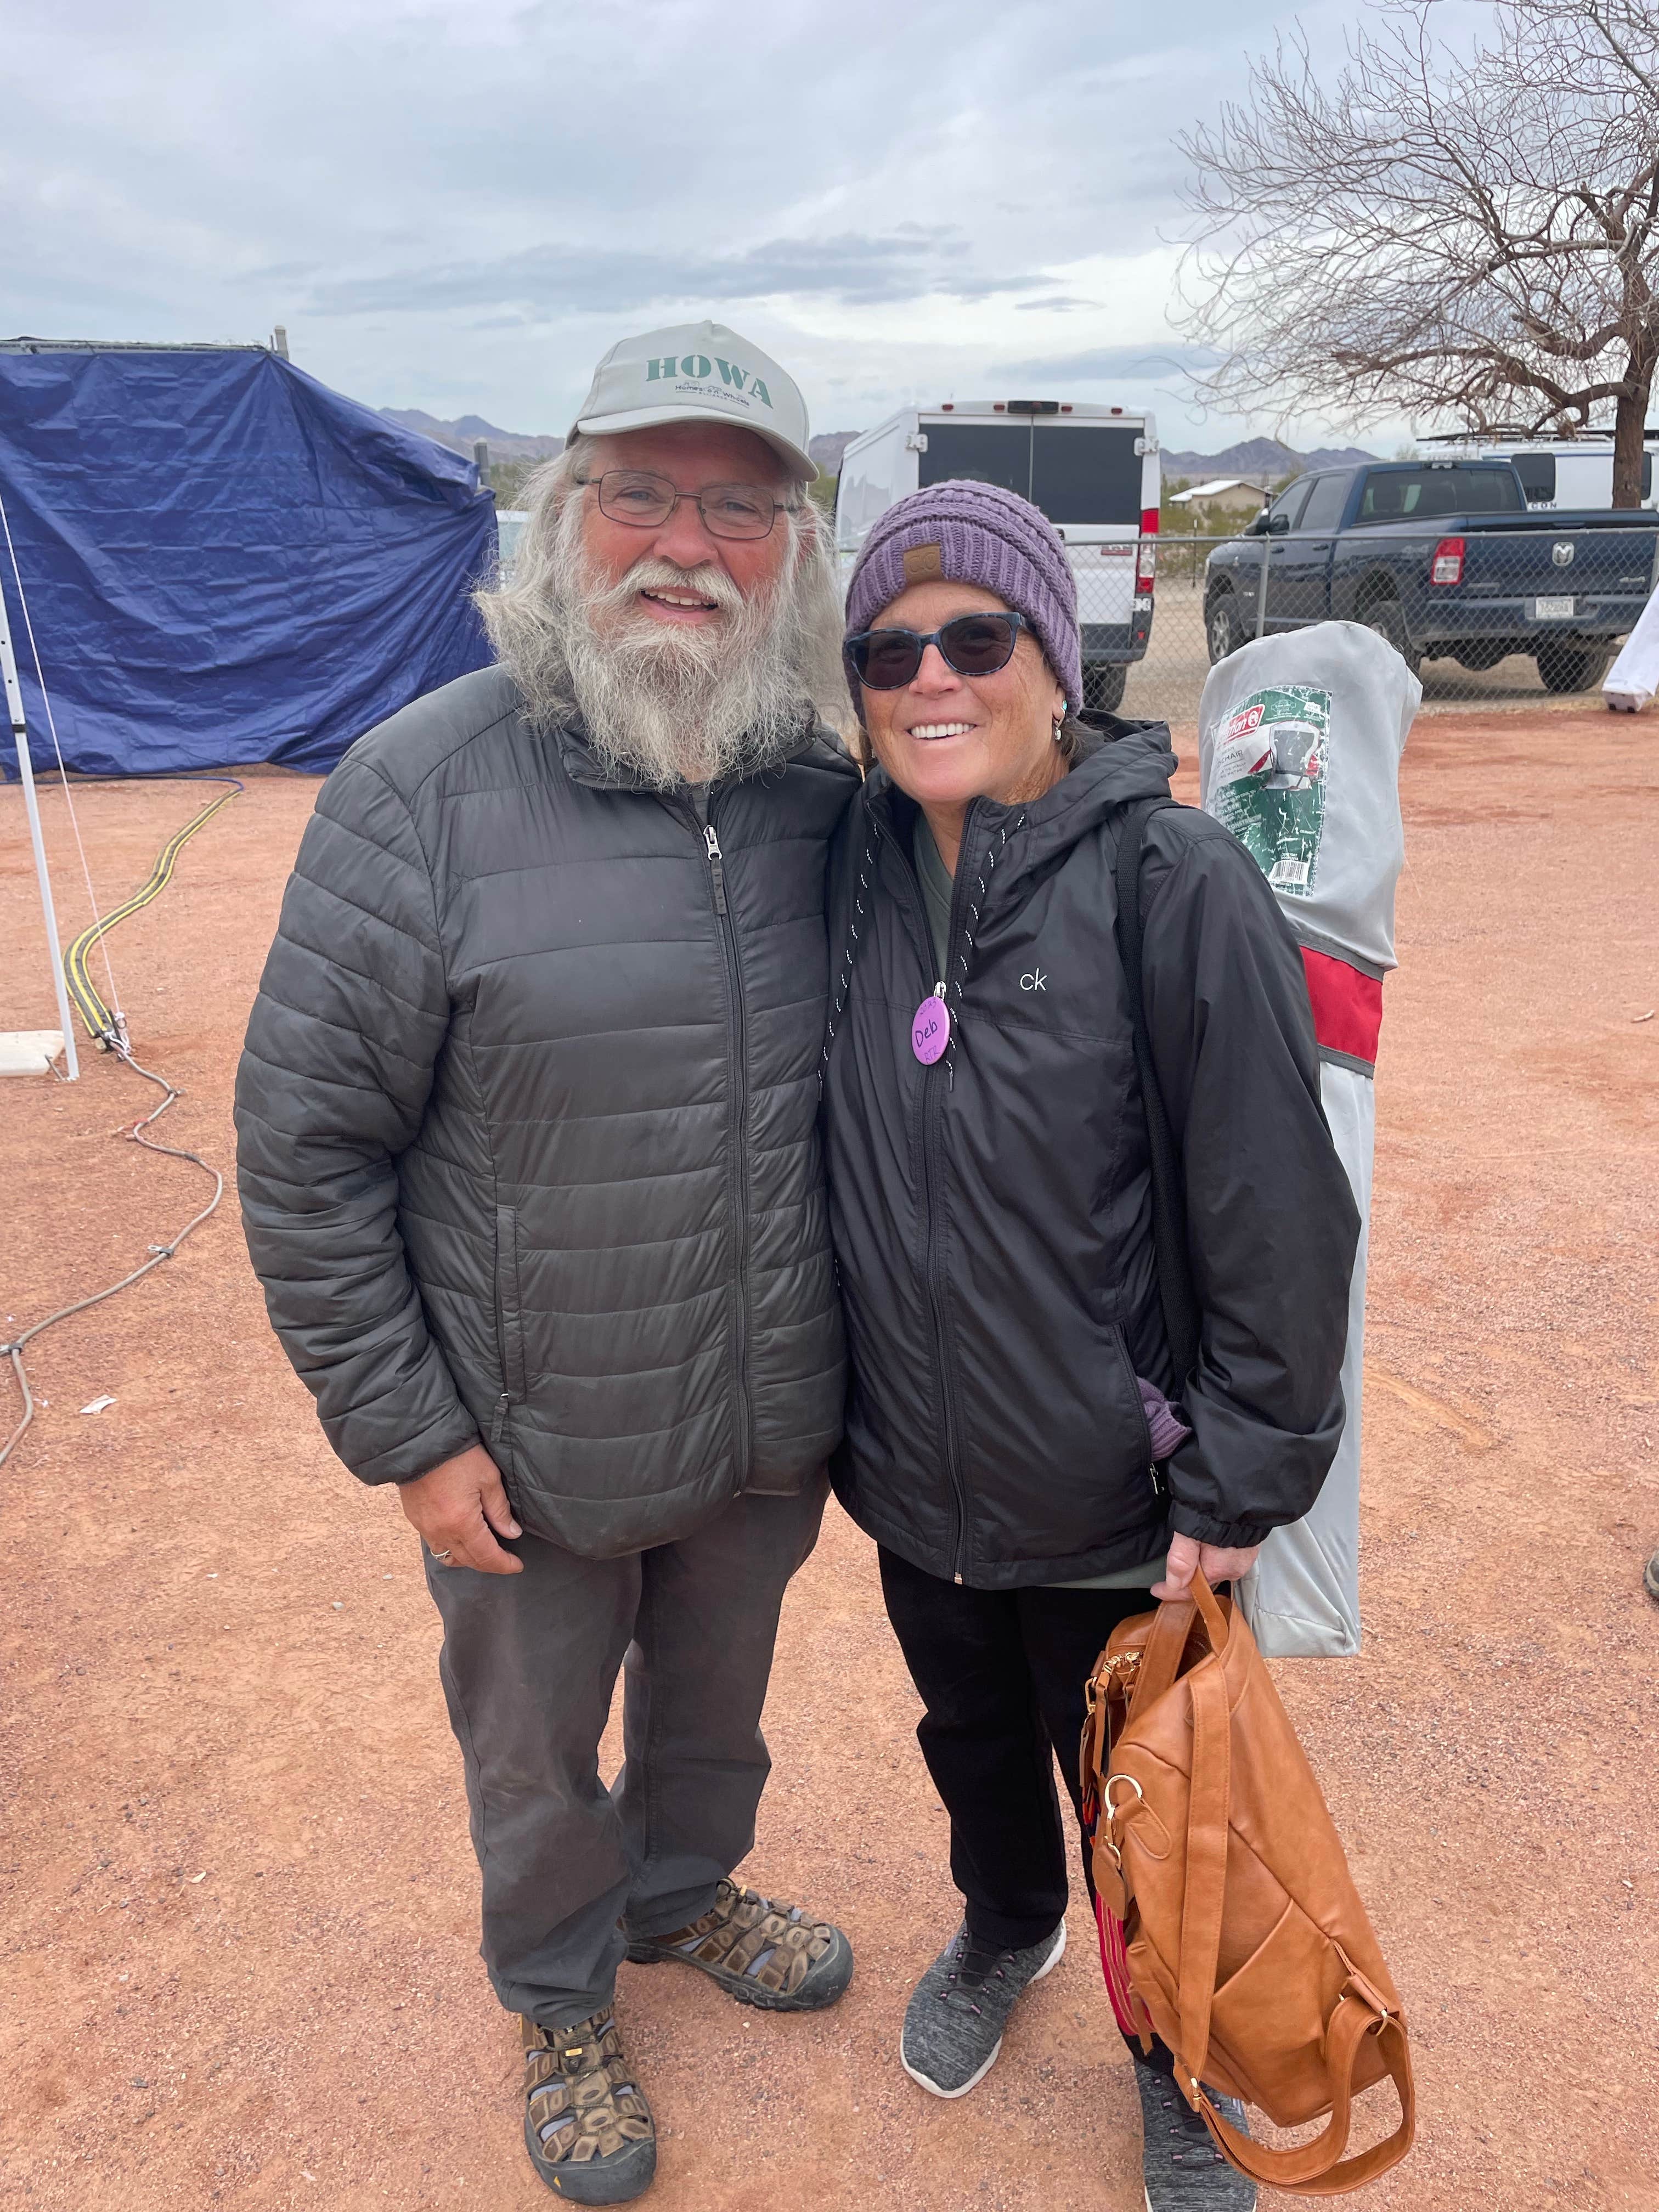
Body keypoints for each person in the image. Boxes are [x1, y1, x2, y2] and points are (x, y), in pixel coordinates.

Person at [236, 320, 859, 2205]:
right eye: (643, 494)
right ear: (561, 517)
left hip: (767, 1403)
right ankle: (560, 1986)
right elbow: (308, 1148)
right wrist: (410, 1435)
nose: (688, 544)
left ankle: (681, 1900)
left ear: (798, 553)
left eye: (741, 509)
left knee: (717, 1704)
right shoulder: (420, 791)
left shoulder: (815, 795)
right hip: (527, 1428)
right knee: (533, 1743)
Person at [819, 482, 1360, 2210]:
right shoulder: (855, 868)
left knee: (1152, 1793)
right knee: (970, 1738)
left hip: (1129, 1492)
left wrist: (1243, 1472)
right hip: (919, 1468)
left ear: (1056, 660)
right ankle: (1004, 1923)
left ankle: (1179, 2056)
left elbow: (1280, 1207)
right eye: (890, 651)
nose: (930, 680)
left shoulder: (1170, 880)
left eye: (975, 639)